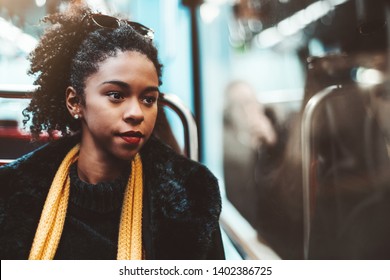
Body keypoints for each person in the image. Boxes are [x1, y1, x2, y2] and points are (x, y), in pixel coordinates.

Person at [0, 2, 224, 260]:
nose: (136, 113)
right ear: (75, 102)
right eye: (116, 95)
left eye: (148, 99)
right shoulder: (13, 191)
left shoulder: (192, 196)